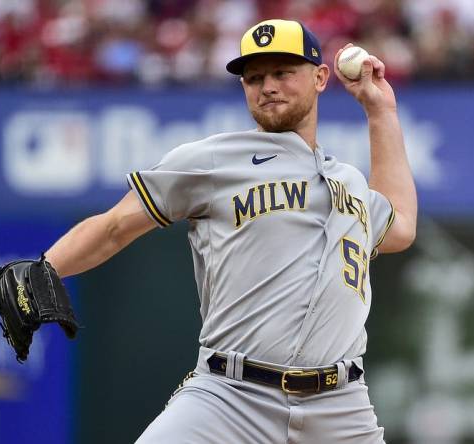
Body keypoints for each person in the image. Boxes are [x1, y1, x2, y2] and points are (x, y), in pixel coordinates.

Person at [45, 18, 417, 444]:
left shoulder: (349, 182)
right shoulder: (214, 159)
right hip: (229, 397)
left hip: (340, 408)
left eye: (282, 72)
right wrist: (46, 267)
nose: (268, 86)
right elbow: (114, 226)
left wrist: (381, 110)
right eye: (254, 78)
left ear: (319, 78)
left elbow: (401, 227)